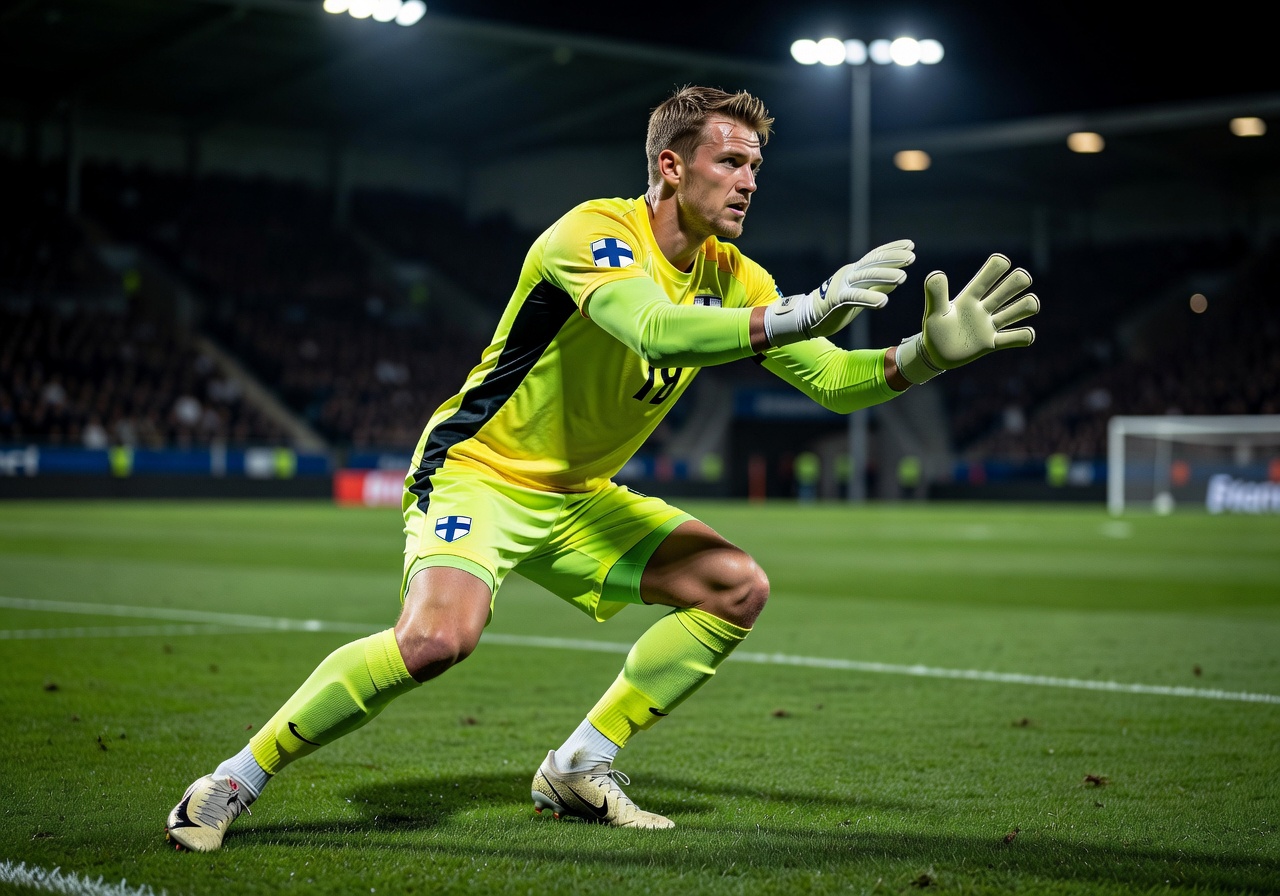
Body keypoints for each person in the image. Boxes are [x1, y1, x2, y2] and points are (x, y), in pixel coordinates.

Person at [164, 84, 1040, 850]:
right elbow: (651, 327)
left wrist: (922, 356)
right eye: (730, 161)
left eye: (755, 168)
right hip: (480, 469)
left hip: (580, 495)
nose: (747, 181)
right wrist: (807, 309)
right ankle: (232, 781)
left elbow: (832, 384)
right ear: (670, 165)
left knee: (736, 587)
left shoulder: (736, 275)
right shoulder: (594, 231)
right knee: (437, 641)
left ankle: (579, 765)